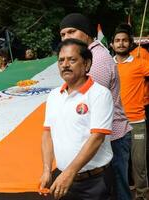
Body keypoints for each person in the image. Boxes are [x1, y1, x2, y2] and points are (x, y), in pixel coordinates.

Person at [59, 13, 132, 200]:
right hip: (107, 137)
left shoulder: (96, 60)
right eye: (63, 35)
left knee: (117, 191)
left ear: (86, 33)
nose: (67, 38)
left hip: (111, 137)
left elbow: (83, 103)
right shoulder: (90, 55)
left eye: (72, 32)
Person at [39, 38, 114, 200]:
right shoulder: (54, 96)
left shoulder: (99, 94)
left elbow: (97, 138)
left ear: (86, 64)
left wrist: (69, 173)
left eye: (72, 60)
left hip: (93, 182)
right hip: (62, 177)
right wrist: (46, 170)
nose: (65, 64)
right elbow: (47, 134)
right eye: (61, 60)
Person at [111, 23, 149, 199]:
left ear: (130, 43)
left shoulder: (140, 62)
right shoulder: (107, 65)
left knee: (139, 164)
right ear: (112, 44)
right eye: (117, 40)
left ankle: (142, 195)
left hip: (137, 122)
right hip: (115, 124)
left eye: (125, 40)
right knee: (118, 165)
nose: (121, 43)